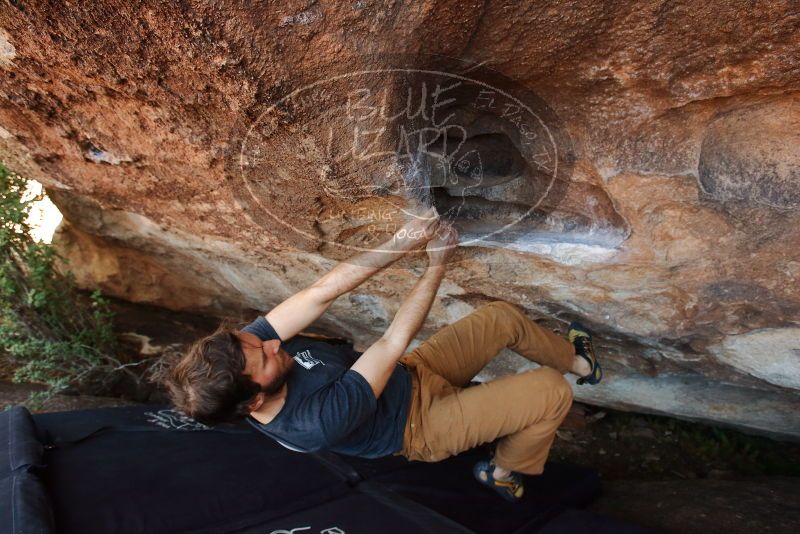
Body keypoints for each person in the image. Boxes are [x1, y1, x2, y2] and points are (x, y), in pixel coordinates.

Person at [164, 208, 602, 502]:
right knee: (548, 392)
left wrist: (408, 234)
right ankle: (505, 470)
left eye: (258, 340)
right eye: (265, 356)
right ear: (254, 399)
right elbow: (390, 343)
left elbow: (322, 292)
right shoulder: (313, 424)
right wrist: (435, 263)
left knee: (501, 318)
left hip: (408, 376)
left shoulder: (246, 353)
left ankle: (581, 363)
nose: (273, 342)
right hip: (420, 426)